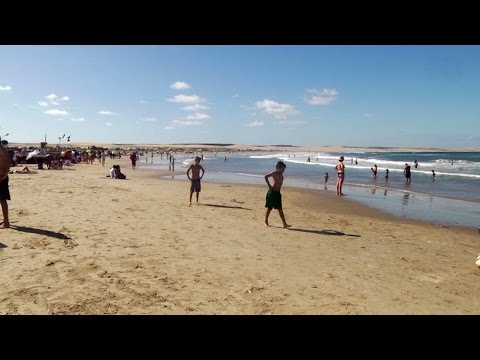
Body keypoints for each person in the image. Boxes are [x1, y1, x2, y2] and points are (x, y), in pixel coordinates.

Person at [264, 161, 291, 228]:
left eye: (284, 170)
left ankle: (284, 223)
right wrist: (269, 186)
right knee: (269, 208)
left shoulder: (281, 176)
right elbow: (266, 176)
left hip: (278, 194)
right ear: (278, 168)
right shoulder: (275, 173)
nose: (283, 171)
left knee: (280, 209)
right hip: (272, 193)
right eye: (282, 169)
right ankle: (266, 221)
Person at [0, 140, 11, 228]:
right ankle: (5, 220)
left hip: (1, 178)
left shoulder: (2, 150)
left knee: (2, 199)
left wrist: (4, 175)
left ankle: (6, 222)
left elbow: (8, 162)